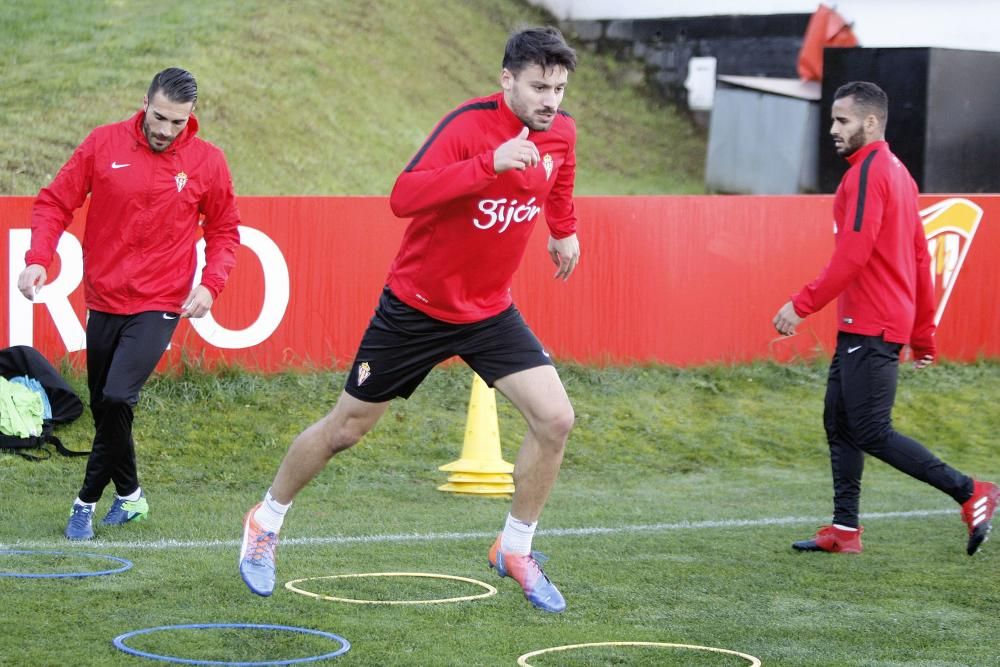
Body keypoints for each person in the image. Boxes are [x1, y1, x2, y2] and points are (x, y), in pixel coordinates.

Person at [238, 26, 580, 613]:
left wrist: (564, 231)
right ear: (506, 81)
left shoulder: (560, 132)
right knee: (345, 430)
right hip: (416, 308)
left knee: (556, 419)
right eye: (538, 87)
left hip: (490, 310)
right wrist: (488, 164)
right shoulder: (468, 126)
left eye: (559, 88)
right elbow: (403, 196)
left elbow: (560, 181)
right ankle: (264, 522)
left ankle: (515, 547)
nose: (551, 100)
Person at [772, 81, 998, 556]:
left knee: (871, 429)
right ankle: (845, 530)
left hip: (871, 324)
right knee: (840, 421)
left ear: (871, 123)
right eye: (833, 119)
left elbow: (853, 255)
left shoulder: (869, 174)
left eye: (843, 120)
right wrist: (924, 335)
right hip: (871, 323)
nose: (834, 129)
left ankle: (971, 491)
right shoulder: (897, 172)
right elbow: (920, 258)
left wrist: (801, 303)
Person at [17, 68, 241, 541]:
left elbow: (224, 232)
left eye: (177, 123)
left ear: (191, 117)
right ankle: (132, 496)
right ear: (145, 102)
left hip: (161, 300)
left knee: (118, 396)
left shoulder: (208, 162)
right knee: (106, 407)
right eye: (158, 117)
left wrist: (210, 284)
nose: (164, 130)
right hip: (104, 297)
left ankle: (84, 504)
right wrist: (39, 259)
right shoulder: (103, 144)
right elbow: (55, 203)